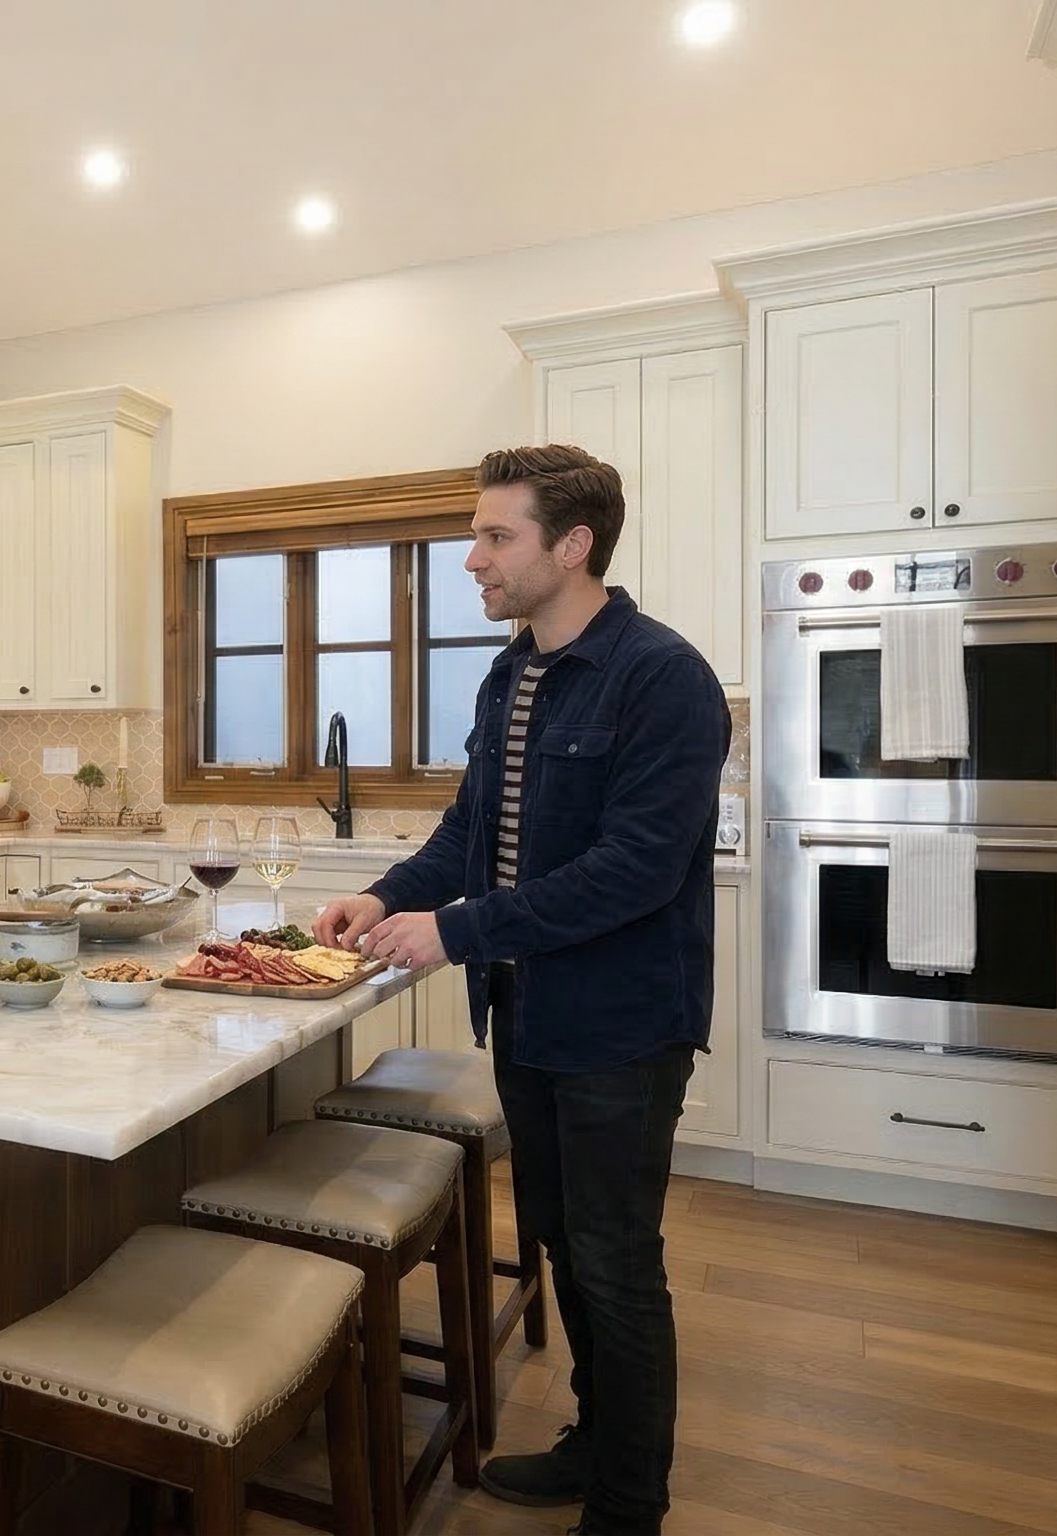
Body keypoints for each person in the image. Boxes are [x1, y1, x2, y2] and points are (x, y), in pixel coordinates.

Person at [315, 444, 729, 1536]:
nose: (471, 559)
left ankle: (630, 1504)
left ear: (572, 544)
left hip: (624, 1023)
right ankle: (597, 1445)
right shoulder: (512, 671)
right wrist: (384, 892)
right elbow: (473, 833)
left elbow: (634, 870)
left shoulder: (660, 675)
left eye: (495, 536)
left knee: (615, 1260)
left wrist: (454, 930)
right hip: (530, 1011)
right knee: (560, 1235)